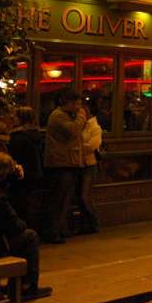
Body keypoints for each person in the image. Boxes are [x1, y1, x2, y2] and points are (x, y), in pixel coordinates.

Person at [0, 153, 52, 299]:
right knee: (29, 237)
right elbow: (13, 224)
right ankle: (27, 286)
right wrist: (23, 224)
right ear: (3, 174)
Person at [43, 91, 87, 244]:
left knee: (66, 198)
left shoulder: (67, 115)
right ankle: (52, 231)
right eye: (78, 105)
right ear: (69, 103)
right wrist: (82, 116)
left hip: (69, 162)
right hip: (61, 164)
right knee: (59, 199)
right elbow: (73, 130)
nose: (80, 108)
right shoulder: (59, 116)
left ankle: (60, 228)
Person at [6, 106, 45, 231]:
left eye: (16, 117)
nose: (13, 119)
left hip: (22, 175)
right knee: (28, 205)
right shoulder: (34, 135)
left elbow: (14, 156)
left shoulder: (19, 137)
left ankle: (22, 231)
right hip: (33, 174)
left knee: (20, 205)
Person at [76, 107, 102, 235]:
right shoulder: (77, 126)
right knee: (80, 197)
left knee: (85, 196)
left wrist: (78, 148)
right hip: (78, 164)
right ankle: (84, 224)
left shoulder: (95, 127)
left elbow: (92, 146)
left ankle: (94, 222)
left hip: (90, 164)